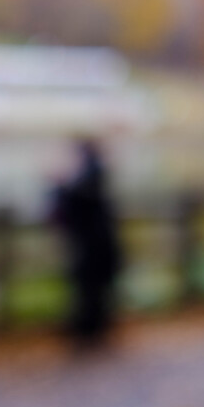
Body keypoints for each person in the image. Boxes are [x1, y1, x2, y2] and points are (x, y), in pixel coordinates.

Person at [48, 137, 122, 345]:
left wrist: (58, 184)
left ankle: (90, 331)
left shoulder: (91, 173)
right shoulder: (91, 173)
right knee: (91, 289)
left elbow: (74, 199)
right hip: (92, 244)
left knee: (92, 289)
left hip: (93, 246)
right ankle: (89, 329)